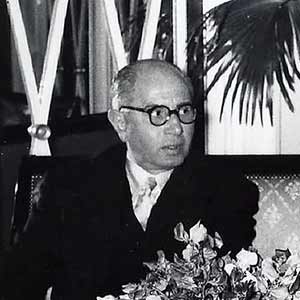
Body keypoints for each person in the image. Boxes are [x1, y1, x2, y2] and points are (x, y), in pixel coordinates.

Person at [1, 59, 259, 300]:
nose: (177, 127)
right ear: (121, 122)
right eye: (158, 113)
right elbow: (20, 283)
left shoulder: (227, 190)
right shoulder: (67, 187)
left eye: (184, 110)